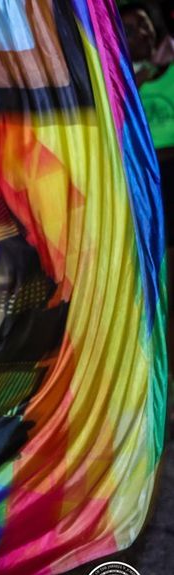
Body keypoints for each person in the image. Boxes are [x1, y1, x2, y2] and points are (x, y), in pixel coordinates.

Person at [122, 1, 174, 348]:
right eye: (131, 29)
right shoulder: (119, 83)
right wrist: (138, 79)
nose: (143, 32)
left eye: (144, 24)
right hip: (142, 190)